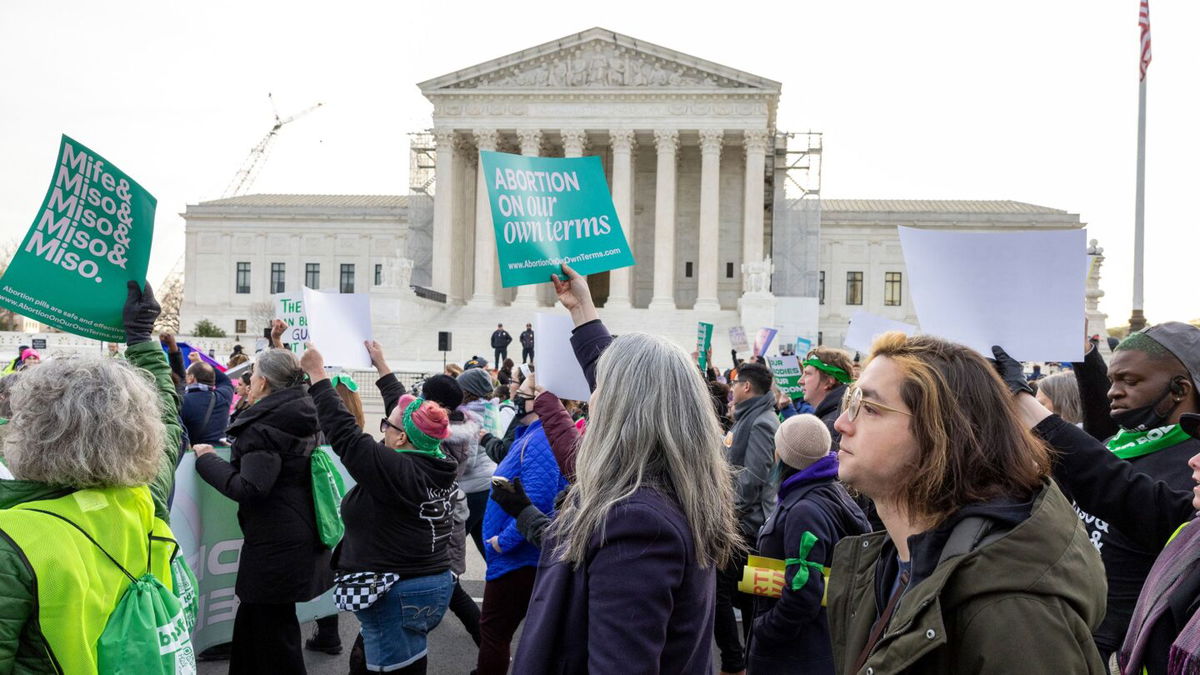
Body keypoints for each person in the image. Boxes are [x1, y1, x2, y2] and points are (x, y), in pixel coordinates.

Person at [826, 333, 1106, 674]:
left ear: (944, 432)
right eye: (850, 404)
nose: (842, 423)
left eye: (869, 408)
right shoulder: (884, 562)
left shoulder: (1011, 609)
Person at [511, 264, 742, 674]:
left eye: (603, 388)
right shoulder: (675, 485)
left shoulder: (635, 522)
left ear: (624, 409)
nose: (591, 394)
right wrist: (584, 311)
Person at [0, 281, 191, 672]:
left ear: (35, 430)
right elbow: (168, 417)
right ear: (140, 432)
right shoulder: (141, 497)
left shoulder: (11, 539)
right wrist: (140, 338)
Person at [301, 342, 458, 675]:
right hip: (430, 581)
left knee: (393, 668)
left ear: (401, 439)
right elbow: (407, 415)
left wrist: (317, 375)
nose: (383, 428)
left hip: (396, 589)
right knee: (409, 659)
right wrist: (382, 365)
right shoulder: (438, 458)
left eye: (387, 425)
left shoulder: (395, 471)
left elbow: (345, 434)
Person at [1066, 324, 1200, 661]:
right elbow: (1100, 438)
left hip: (1121, 650)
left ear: (1179, 389)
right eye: (1112, 381)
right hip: (1078, 630)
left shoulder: (1194, 468)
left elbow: (1112, 481)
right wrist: (1083, 355)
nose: (1114, 392)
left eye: (1130, 381)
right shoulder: (1122, 443)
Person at [194, 348, 333, 674]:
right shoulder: (299, 412)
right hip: (291, 533)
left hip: (277, 542)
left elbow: (251, 488)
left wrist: (206, 460)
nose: (249, 379)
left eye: (253, 373)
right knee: (257, 619)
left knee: (275, 630)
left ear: (264, 382)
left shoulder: (264, 426)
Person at [748, 415, 869, 674]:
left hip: (794, 655)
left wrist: (766, 628)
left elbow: (802, 592)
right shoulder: (829, 489)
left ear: (785, 456)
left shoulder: (804, 510)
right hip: (815, 645)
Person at [476, 374, 568, 675]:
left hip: (519, 557)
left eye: (525, 390)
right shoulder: (533, 434)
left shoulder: (542, 439)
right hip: (518, 555)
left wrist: (504, 541)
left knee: (494, 633)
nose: (516, 394)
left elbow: (537, 501)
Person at [717, 359, 779, 675]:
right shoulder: (747, 418)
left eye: (734, 382)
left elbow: (752, 480)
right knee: (746, 601)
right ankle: (742, 662)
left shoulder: (762, 422)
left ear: (745, 387)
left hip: (749, 529)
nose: (730, 388)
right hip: (742, 525)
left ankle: (737, 663)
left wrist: (725, 519)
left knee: (739, 599)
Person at [420, 374, 482, 648]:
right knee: (449, 584)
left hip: (435, 515)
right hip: (451, 509)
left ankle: (492, 649)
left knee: (451, 588)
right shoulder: (464, 429)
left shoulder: (435, 438)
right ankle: (491, 648)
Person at [456, 367, 499, 554]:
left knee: (450, 546)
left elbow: (468, 461)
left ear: (467, 392)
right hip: (487, 483)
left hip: (472, 488)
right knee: (486, 544)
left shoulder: (470, 417)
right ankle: (501, 580)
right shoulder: (490, 410)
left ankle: (450, 583)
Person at [799, 346, 854, 448]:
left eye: (807, 374)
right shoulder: (835, 414)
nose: (800, 381)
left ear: (829, 381)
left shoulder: (834, 425)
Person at [181, 352, 235, 446]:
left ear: (191, 378)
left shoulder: (183, 401)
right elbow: (224, 380)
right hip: (220, 453)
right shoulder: (223, 396)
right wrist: (201, 362)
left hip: (193, 455)